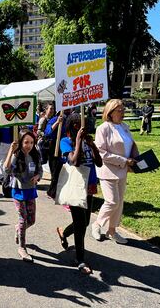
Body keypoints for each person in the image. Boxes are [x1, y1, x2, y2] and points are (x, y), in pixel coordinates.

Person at [56, 113, 102, 274]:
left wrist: (93, 145)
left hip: (89, 186)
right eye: (75, 126)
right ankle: (80, 260)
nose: (79, 129)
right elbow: (74, 161)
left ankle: (64, 232)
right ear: (70, 128)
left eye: (81, 125)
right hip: (76, 187)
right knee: (81, 225)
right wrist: (78, 141)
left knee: (86, 221)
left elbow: (99, 163)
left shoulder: (88, 142)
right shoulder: (65, 142)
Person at [91, 99, 139, 244]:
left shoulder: (124, 126)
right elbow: (101, 153)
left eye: (124, 110)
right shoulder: (103, 128)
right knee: (112, 201)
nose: (123, 113)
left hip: (123, 170)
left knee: (119, 202)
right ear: (110, 112)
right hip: (108, 170)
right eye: (120, 111)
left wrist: (137, 159)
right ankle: (97, 224)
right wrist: (124, 160)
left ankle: (112, 231)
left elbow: (131, 144)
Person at [3, 130, 43, 262]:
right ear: (20, 142)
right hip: (18, 191)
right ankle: (22, 247)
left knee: (31, 220)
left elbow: (40, 170)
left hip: (31, 190)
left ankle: (18, 230)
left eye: (31, 142)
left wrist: (38, 176)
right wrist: (11, 151)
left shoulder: (35, 154)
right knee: (23, 219)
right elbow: (6, 169)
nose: (29, 145)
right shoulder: (16, 155)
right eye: (26, 142)